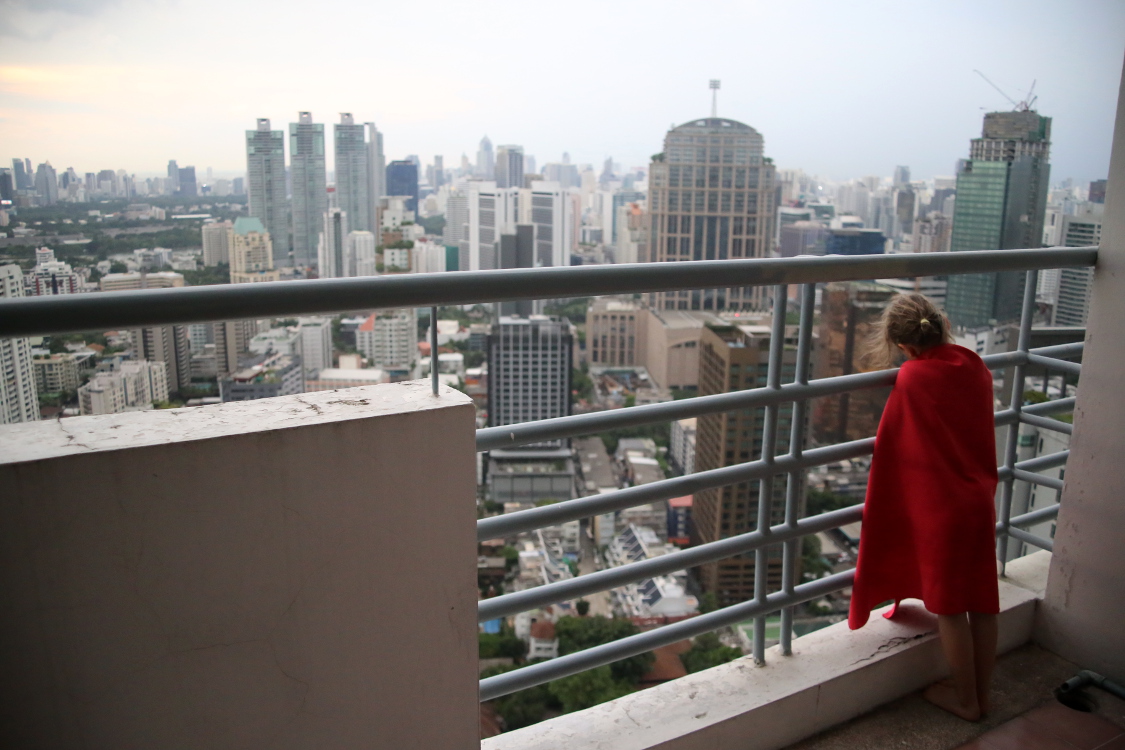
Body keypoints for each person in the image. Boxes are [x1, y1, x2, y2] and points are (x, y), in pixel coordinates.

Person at [847, 293, 999, 722]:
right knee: (983, 602)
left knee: (950, 608)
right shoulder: (975, 367)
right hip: (977, 501)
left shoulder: (913, 379)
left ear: (902, 346)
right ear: (942, 325)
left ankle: (966, 700)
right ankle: (982, 694)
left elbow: (895, 448)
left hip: (942, 510)